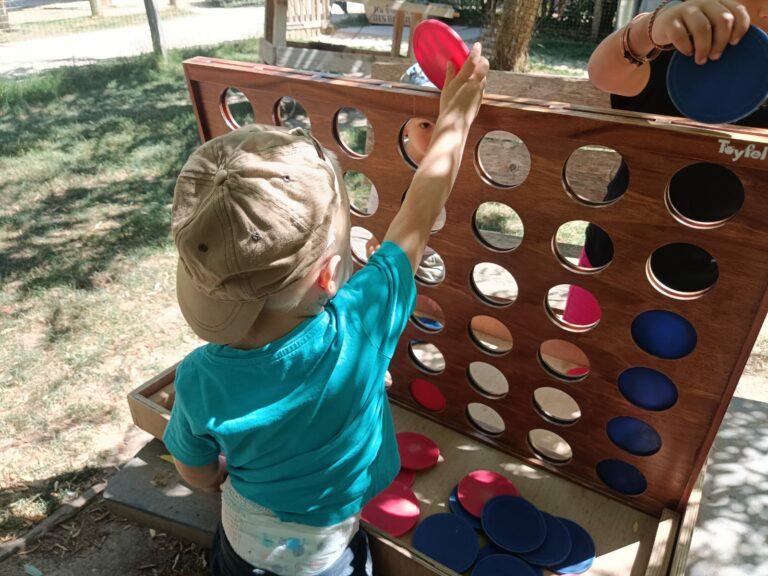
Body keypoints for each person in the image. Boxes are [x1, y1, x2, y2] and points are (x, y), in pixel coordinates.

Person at [162, 43, 489, 576]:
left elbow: (196, 471)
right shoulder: (361, 323)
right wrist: (456, 117)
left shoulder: (200, 377)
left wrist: (218, 470)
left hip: (240, 548)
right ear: (328, 275)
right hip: (327, 558)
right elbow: (419, 215)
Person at [577, 0, 767, 301]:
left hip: (714, 288)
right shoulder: (679, 52)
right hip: (611, 260)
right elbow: (604, 75)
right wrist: (649, 29)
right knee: (572, 346)